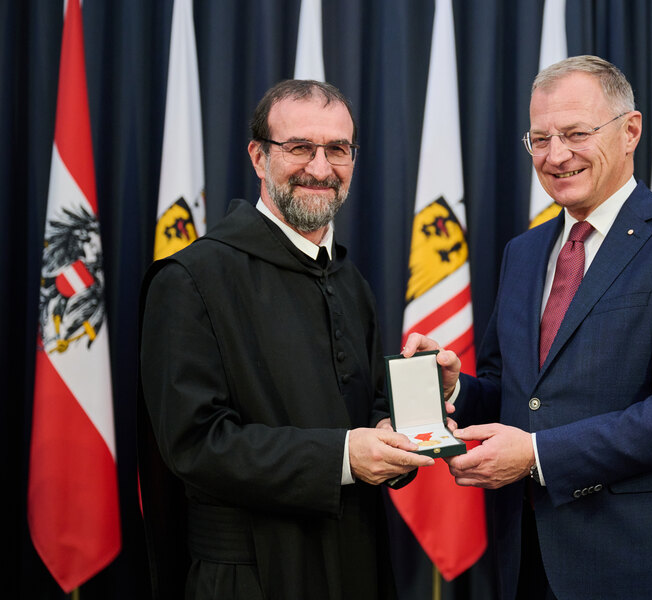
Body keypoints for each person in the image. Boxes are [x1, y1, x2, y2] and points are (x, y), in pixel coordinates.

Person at [404, 56, 652, 600]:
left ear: (630, 131)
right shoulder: (525, 251)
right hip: (527, 560)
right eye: (540, 139)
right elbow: (517, 396)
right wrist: (456, 388)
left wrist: (539, 456)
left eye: (576, 134)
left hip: (639, 565)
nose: (556, 156)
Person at [138, 79, 434, 600]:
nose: (321, 168)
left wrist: (404, 426)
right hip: (249, 576)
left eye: (337, 149)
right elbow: (195, 445)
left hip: (358, 564)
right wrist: (344, 456)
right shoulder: (189, 280)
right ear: (258, 157)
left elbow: (369, 415)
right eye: (299, 147)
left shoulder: (350, 280)